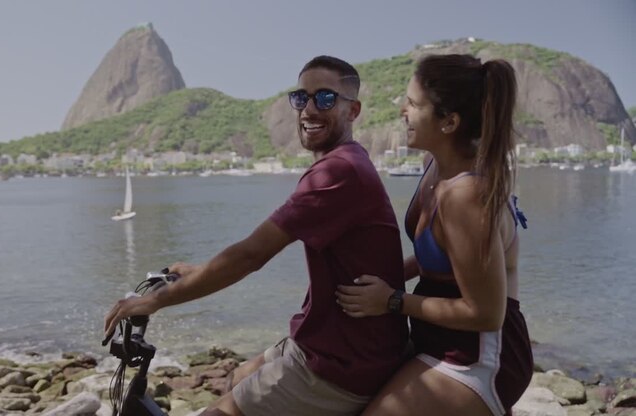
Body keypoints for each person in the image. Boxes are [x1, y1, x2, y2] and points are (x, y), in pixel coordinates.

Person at [104, 55, 408, 416]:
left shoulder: (339, 172)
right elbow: (255, 245)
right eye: (301, 98)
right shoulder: (344, 162)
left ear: (353, 110)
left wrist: (156, 300)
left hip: (341, 366)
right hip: (324, 342)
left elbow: (252, 254)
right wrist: (199, 271)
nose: (309, 109)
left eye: (325, 98)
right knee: (240, 376)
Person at [336, 54, 533, 416]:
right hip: (440, 342)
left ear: (449, 122)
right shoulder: (434, 167)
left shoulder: (465, 196)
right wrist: (390, 276)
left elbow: (486, 314)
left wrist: (392, 300)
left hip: (482, 359)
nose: (401, 111)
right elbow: (438, 258)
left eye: (412, 103)